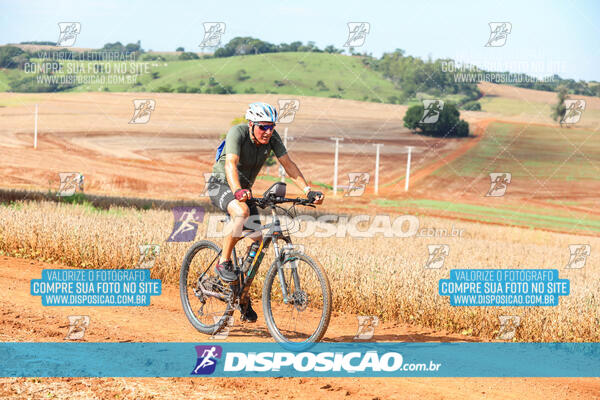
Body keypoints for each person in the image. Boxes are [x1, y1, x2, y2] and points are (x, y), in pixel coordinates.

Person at [207, 102, 324, 322]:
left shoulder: (273, 137)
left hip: (244, 191)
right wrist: (238, 191)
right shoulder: (238, 132)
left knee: (258, 240)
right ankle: (223, 262)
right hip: (221, 184)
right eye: (263, 127)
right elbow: (230, 164)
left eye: (271, 127)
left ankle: (242, 296)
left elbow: (288, 164)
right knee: (241, 213)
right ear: (251, 124)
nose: (268, 132)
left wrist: (308, 191)